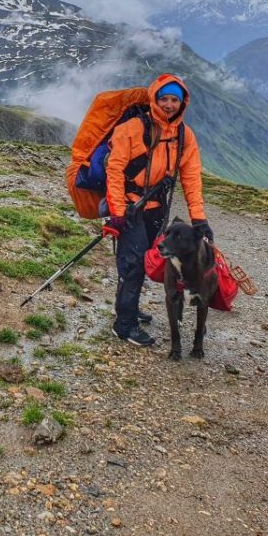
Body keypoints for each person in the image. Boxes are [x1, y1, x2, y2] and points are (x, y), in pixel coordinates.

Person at [102, 74, 212, 346]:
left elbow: (191, 177)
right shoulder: (131, 129)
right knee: (134, 263)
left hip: (156, 208)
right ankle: (124, 325)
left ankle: (128, 308)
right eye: (164, 98)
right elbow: (114, 170)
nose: (169, 105)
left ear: (182, 102)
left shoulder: (185, 135)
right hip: (129, 208)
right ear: (154, 99)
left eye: (175, 99)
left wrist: (198, 217)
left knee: (145, 260)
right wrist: (117, 210)